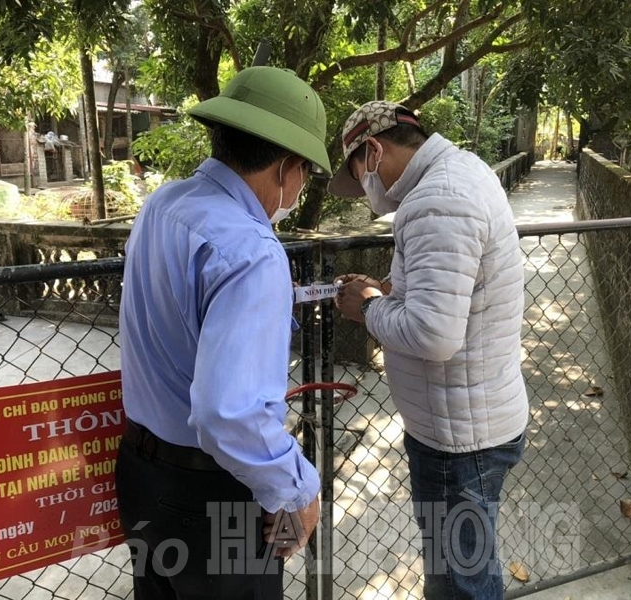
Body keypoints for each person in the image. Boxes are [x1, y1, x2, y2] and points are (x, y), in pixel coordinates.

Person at [115, 66, 331, 600]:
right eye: (306, 173)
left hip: (141, 476)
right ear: (288, 167)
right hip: (212, 496)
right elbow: (228, 414)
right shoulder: (252, 251)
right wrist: (299, 490)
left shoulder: (163, 204)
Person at [329, 100, 529, 599]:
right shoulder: (461, 173)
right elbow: (453, 292)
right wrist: (387, 290)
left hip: (458, 440)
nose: (365, 192)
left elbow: (433, 335)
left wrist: (367, 308)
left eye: (359, 176)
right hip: (473, 422)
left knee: (461, 582)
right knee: (465, 567)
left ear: (373, 150)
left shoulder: (436, 200)